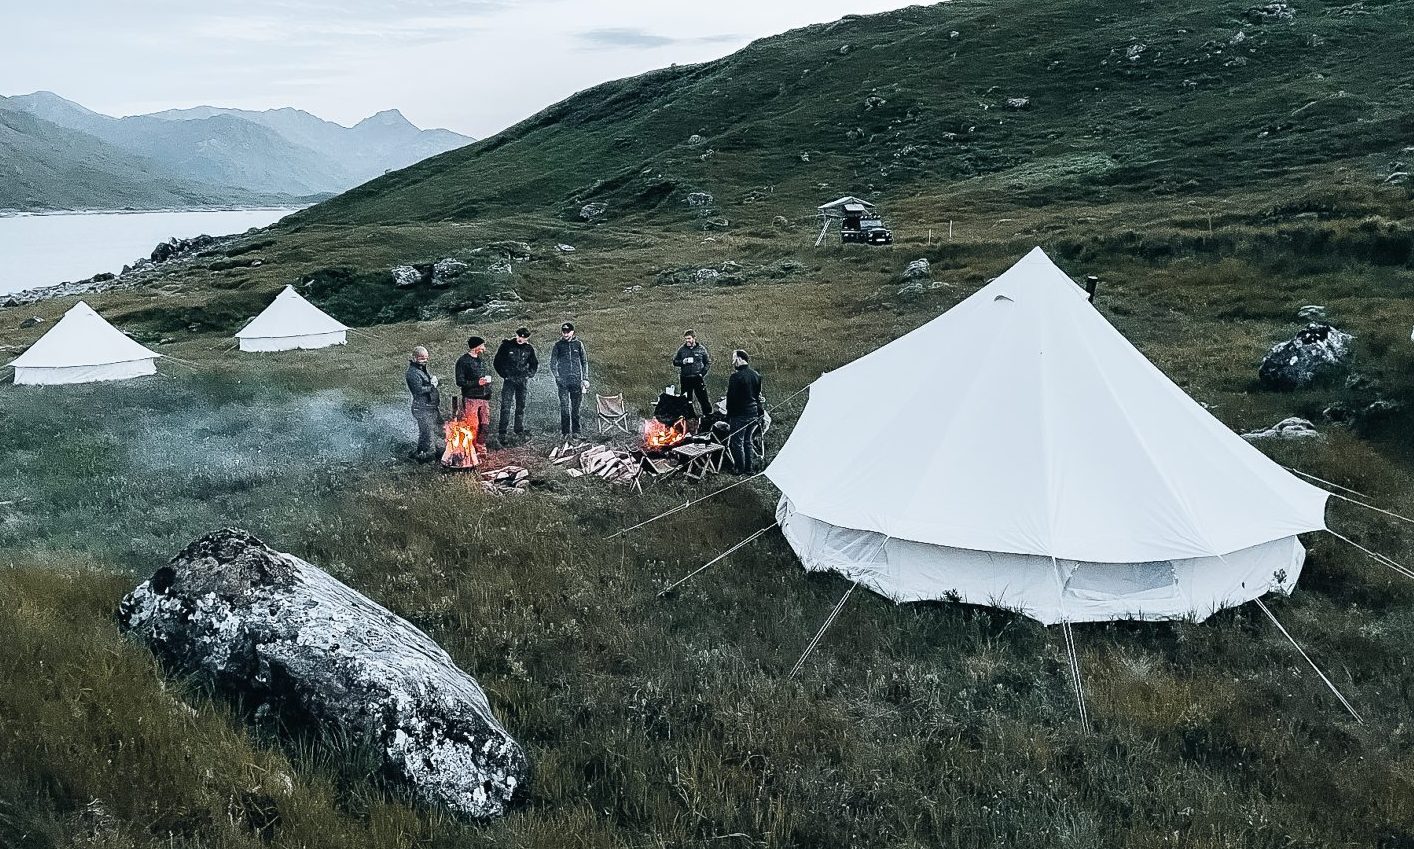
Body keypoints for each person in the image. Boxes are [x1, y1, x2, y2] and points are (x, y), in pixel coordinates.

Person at [493, 327, 539, 445]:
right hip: (509, 380)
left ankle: (518, 430)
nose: (520, 339)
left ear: (527, 338)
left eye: (523, 337)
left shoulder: (529, 349)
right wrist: (504, 375)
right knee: (506, 406)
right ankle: (502, 433)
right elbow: (497, 362)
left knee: (520, 406)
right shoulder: (507, 346)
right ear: (516, 335)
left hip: (522, 381)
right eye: (519, 336)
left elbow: (534, 363)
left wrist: (529, 374)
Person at [725, 349, 763, 475]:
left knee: (737, 442)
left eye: (734, 359)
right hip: (753, 413)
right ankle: (749, 468)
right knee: (748, 441)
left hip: (740, 415)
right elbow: (757, 396)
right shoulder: (756, 375)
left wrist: (729, 415)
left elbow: (731, 398)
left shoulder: (735, 377)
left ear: (740, 359)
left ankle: (739, 468)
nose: (733, 362)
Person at [550, 322, 589, 439]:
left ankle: (576, 432)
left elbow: (584, 362)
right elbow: (552, 363)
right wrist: (557, 377)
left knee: (575, 408)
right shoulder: (558, 345)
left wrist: (585, 378)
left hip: (576, 380)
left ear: (572, 332)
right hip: (563, 381)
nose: (565, 334)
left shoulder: (578, 344)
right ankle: (565, 433)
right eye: (564, 332)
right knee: (564, 407)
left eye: (568, 332)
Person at [454, 336, 492, 454]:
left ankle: (481, 446)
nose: (484, 348)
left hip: (484, 398)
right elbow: (460, 381)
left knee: (485, 425)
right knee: (473, 426)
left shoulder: (480, 360)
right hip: (471, 398)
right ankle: (470, 449)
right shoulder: (463, 361)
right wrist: (477, 383)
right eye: (482, 346)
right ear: (476, 347)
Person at [405, 346, 442, 462]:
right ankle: (421, 456)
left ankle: (440, 452)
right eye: (422, 358)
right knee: (425, 433)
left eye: (426, 358)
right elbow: (418, 390)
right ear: (415, 358)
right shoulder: (412, 373)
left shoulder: (421, 369)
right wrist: (432, 386)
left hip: (431, 406)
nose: (424, 360)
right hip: (421, 407)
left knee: (441, 428)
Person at [672, 330, 712, 419]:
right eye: (686, 339)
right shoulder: (682, 349)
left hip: (697, 377)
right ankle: (690, 418)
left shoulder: (701, 349)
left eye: (689, 338)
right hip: (685, 378)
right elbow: (675, 361)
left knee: (703, 398)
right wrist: (682, 362)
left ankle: (708, 416)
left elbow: (708, 362)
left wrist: (702, 373)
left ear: (694, 338)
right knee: (686, 399)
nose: (687, 341)